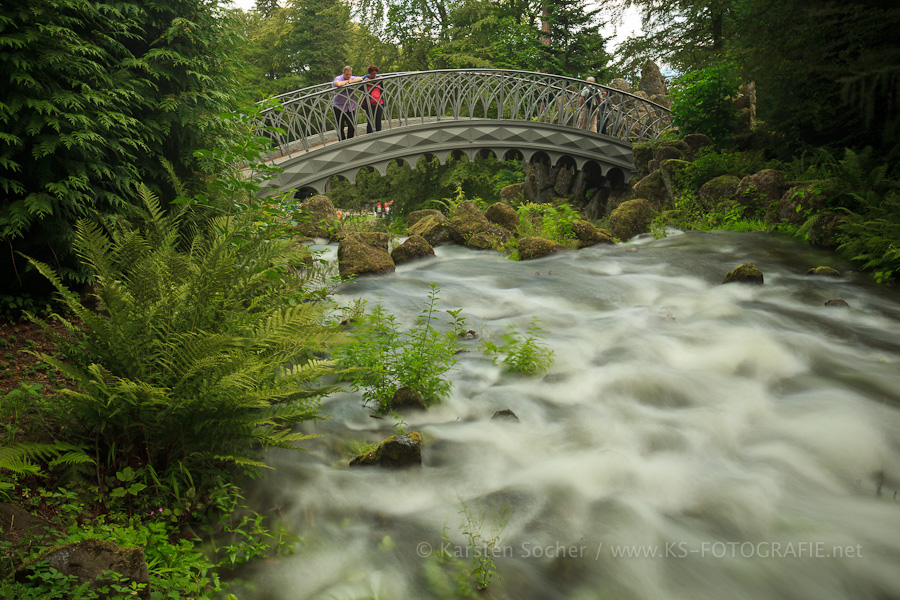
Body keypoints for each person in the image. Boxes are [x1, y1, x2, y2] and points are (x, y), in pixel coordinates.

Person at [333, 66, 363, 140]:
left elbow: (360, 79)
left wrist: (350, 82)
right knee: (340, 126)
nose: (348, 76)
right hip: (339, 106)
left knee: (351, 124)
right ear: (343, 73)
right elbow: (338, 84)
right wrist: (346, 82)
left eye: (350, 74)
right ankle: (342, 142)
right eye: (347, 74)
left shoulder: (351, 78)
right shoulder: (338, 78)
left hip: (350, 106)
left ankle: (350, 140)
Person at [362, 65, 385, 134]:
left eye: (375, 74)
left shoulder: (378, 79)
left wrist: (380, 80)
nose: (374, 75)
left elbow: (383, 89)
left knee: (378, 120)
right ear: (369, 73)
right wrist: (365, 82)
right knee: (370, 121)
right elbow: (361, 89)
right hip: (369, 104)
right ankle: (369, 136)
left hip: (379, 103)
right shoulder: (366, 79)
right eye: (372, 74)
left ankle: (379, 135)